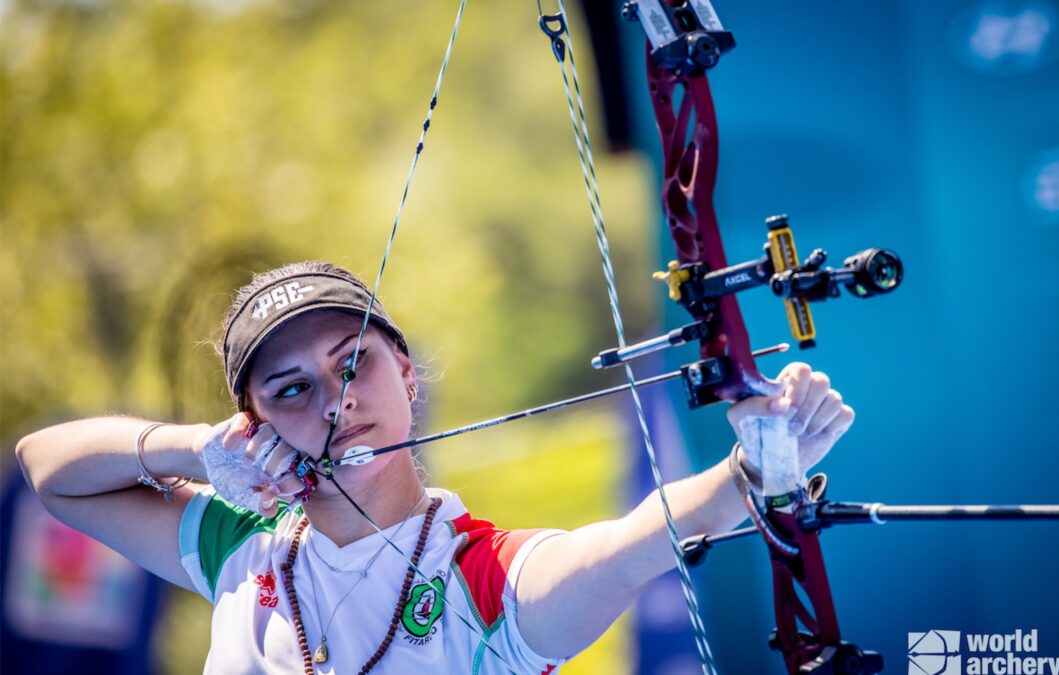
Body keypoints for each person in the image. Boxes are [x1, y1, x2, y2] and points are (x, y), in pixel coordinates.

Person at [15, 260, 854, 674]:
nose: (336, 402)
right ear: (256, 423)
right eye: (291, 388)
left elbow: (628, 543)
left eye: (356, 364)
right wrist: (193, 448)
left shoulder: (481, 578)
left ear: (406, 376)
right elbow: (46, 467)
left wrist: (750, 474)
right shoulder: (240, 543)